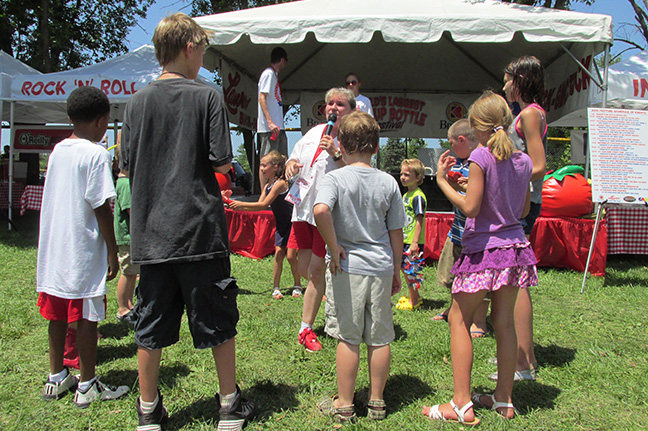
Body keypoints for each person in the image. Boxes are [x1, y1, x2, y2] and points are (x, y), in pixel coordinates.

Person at [121, 13, 256, 431]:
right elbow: (221, 161)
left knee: (150, 325)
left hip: (151, 235)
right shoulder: (207, 96)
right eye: (202, 49)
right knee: (219, 319)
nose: (203, 57)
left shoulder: (136, 101)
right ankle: (229, 406)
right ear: (188, 48)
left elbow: (127, 166)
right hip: (199, 229)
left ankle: (148, 412)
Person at [422, 91, 537, 425]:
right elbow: (523, 209)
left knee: (458, 319)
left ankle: (460, 404)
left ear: (477, 126)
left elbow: (471, 208)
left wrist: (443, 181)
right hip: (515, 250)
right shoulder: (524, 160)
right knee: (504, 324)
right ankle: (503, 400)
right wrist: (474, 186)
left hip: (483, 251)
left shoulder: (480, 157)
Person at [37, 85, 129, 407]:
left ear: (69, 117)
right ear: (103, 122)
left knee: (57, 313)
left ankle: (56, 377)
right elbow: (101, 205)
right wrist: (113, 249)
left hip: (54, 246)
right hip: (83, 248)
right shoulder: (96, 154)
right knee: (88, 315)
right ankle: (87, 384)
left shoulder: (58, 150)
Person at [314, 111, 405, 423]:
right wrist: (397, 269)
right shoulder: (389, 182)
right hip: (380, 267)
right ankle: (377, 402)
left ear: (340, 144)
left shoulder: (335, 178)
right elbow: (396, 232)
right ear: (376, 147)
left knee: (348, 338)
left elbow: (321, 209)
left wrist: (332, 244)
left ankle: (345, 404)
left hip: (346, 267)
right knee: (380, 337)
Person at [488, 55, 547, 382]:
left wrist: (508, 182)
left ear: (520, 80)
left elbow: (538, 165)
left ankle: (523, 361)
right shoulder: (525, 114)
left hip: (521, 204)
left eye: (508, 78)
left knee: (515, 280)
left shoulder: (528, 115)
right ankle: (523, 358)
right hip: (518, 202)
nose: (504, 84)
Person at [285, 87, 353, 352]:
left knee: (314, 271)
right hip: (302, 207)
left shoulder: (352, 138)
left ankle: (306, 329)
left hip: (326, 213)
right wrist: (291, 163)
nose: (334, 108)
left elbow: (358, 173)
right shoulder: (315, 132)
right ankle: (324, 293)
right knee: (301, 264)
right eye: (330, 104)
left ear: (351, 110)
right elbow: (296, 154)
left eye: (340, 104)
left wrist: (337, 153)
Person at [433, 120, 488, 338]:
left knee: (479, 279)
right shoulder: (462, 164)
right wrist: (449, 177)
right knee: (451, 274)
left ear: (462, 140)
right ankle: (454, 308)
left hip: (477, 234)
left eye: (451, 143)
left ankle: (479, 320)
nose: (450, 147)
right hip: (457, 231)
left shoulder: (480, 163)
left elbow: (472, 204)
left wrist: (443, 182)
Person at [229, 150, 302, 299]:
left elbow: (263, 205)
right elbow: (259, 203)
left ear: (275, 167)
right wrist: (232, 202)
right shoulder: (270, 184)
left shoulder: (280, 184)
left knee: (290, 256)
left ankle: (297, 285)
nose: (261, 168)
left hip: (292, 223)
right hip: (282, 225)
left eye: (264, 165)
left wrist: (240, 204)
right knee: (278, 255)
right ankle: (276, 288)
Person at [113, 132, 138, 326]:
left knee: (132, 273)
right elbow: (131, 211)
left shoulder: (123, 182)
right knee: (127, 273)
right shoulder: (125, 184)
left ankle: (129, 306)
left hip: (130, 238)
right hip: (128, 236)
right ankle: (123, 307)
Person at [395, 158, 426, 311]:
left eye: (407, 174)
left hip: (413, 241)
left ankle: (415, 301)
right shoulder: (406, 195)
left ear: (418, 177)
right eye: (401, 174)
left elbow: (419, 219)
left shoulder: (418, 196)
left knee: (412, 270)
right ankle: (413, 296)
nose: (402, 177)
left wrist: (415, 242)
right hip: (405, 239)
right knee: (405, 268)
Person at [258, 47, 288, 157]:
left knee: (281, 160)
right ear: (282, 60)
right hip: (269, 128)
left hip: (278, 126)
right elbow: (262, 97)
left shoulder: (274, 75)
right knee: (268, 161)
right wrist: (270, 122)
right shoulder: (268, 74)